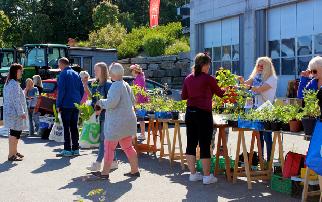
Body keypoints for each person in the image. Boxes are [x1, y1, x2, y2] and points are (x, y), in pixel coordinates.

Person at [181, 53, 225, 185]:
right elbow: (221, 93)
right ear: (205, 65)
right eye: (209, 65)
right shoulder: (208, 78)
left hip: (190, 112)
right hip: (203, 114)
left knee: (191, 143)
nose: (209, 67)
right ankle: (207, 177)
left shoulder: (188, 78)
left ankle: (193, 174)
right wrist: (227, 88)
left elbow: (183, 96)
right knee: (205, 144)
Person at [92, 63, 139, 179]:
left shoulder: (116, 86)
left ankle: (104, 173)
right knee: (128, 147)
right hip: (128, 121)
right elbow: (133, 101)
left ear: (113, 74)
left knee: (108, 147)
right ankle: (135, 170)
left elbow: (111, 103)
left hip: (117, 123)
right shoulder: (126, 84)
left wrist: (100, 102)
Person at [239, 56, 277, 161]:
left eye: (262, 66)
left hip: (266, 109)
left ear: (268, 67)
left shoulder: (272, 78)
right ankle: (261, 159)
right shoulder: (256, 76)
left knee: (267, 136)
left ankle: (269, 160)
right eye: (258, 65)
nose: (260, 67)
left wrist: (249, 87)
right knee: (259, 137)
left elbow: (259, 89)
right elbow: (245, 84)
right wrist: (241, 81)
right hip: (256, 109)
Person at [86, 62, 118, 171]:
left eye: (97, 70)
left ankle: (98, 163)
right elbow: (94, 100)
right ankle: (114, 162)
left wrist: (101, 108)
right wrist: (94, 108)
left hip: (108, 116)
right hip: (101, 116)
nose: (94, 72)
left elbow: (111, 102)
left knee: (103, 139)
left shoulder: (109, 85)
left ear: (103, 71)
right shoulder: (95, 84)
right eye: (94, 70)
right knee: (108, 139)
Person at [56, 57, 84, 157]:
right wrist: (77, 100)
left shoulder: (63, 74)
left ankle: (67, 149)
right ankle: (76, 149)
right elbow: (82, 90)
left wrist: (58, 104)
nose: (59, 67)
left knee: (66, 128)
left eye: (59, 65)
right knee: (74, 127)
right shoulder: (76, 74)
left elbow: (61, 91)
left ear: (62, 64)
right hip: (75, 104)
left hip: (66, 104)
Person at [4, 63, 27, 161]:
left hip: (13, 113)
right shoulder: (13, 84)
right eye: (20, 71)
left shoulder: (11, 82)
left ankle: (14, 151)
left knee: (16, 133)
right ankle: (11, 154)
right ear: (15, 71)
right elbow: (16, 100)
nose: (22, 72)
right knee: (14, 133)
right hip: (14, 113)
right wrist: (21, 112)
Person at [130, 64, 148, 140]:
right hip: (141, 101)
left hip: (140, 101)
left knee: (140, 118)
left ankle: (142, 134)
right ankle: (141, 134)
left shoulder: (139, 78)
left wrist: (136, 101)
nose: (131, 72)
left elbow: (139, 91)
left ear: (135, 71)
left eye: (131, 70)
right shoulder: (140, 77)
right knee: (140, 119)